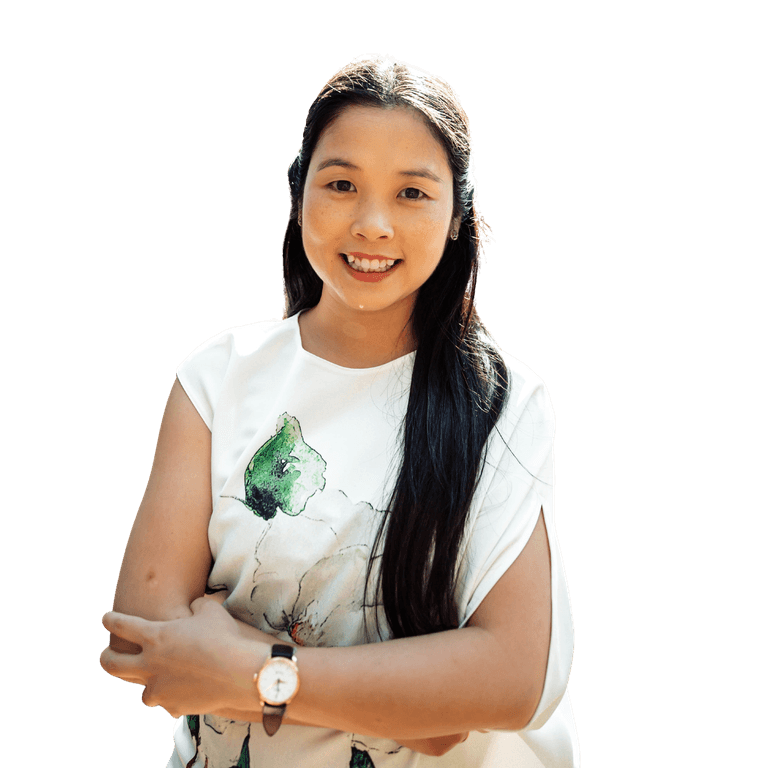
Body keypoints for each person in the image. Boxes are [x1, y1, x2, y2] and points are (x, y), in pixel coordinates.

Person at [99, 54, 579, 767]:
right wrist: (414, 701)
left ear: (457, 215)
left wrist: (257, 672)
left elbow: (513, 679)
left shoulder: (504, 401)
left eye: (412, 193)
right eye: (342, 184)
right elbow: (144, 642)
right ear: (299, 194)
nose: (373, 224)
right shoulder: (219, 376)